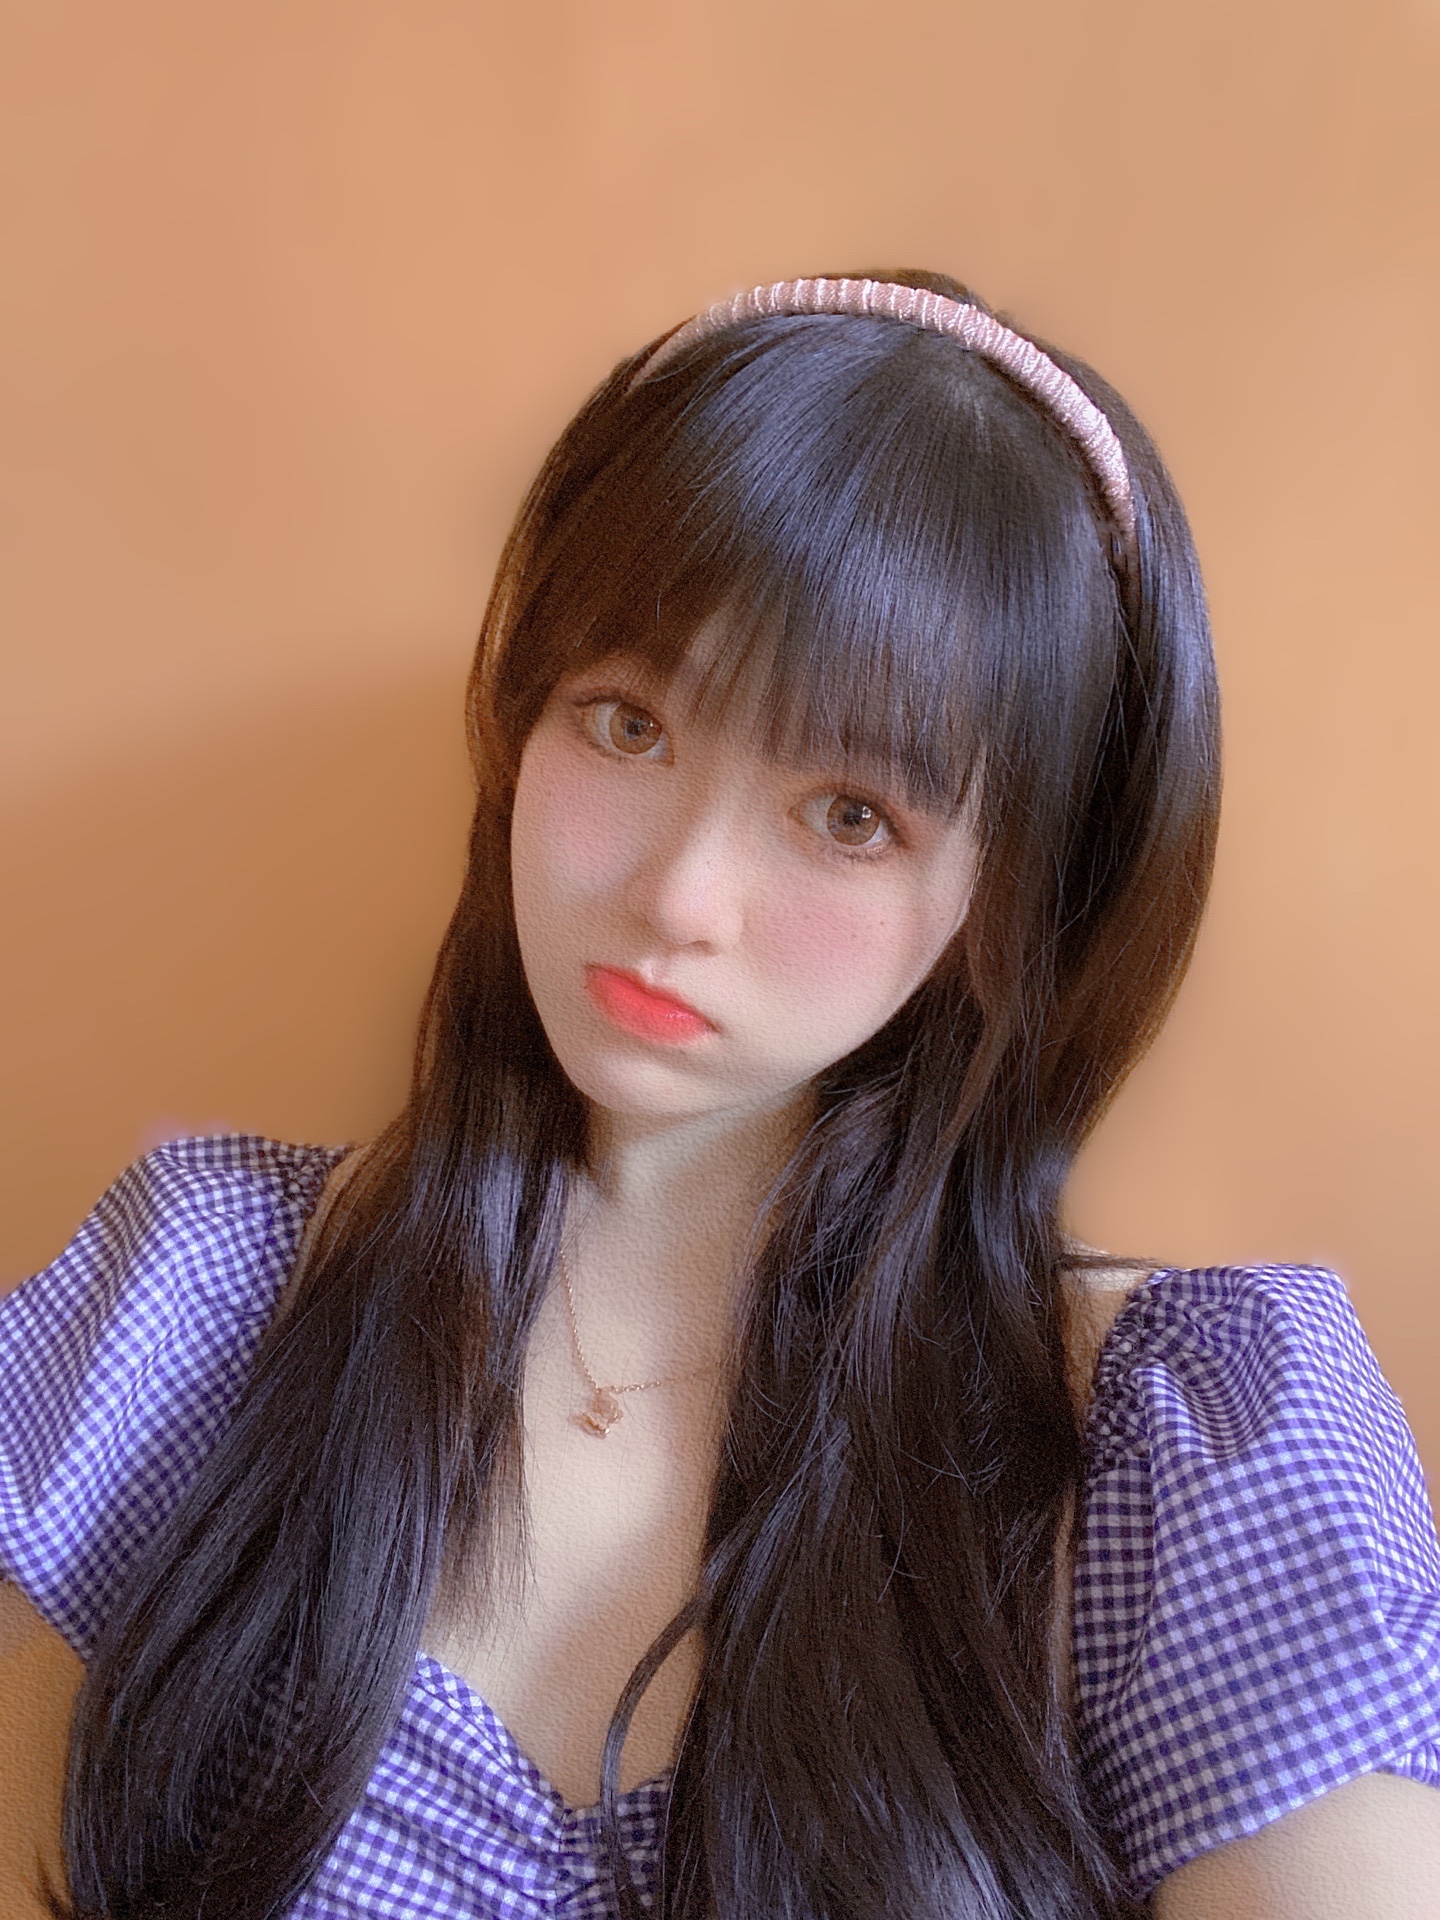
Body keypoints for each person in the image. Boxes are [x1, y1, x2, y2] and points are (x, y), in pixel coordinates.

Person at [1, 271, 1437, 1920]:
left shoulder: (1172, 1445)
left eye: (849, 815)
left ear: (1004, 905)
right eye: (629, 724)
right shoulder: (205, 1294)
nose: (680, 893)